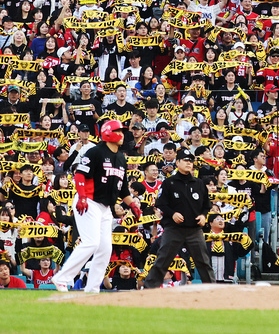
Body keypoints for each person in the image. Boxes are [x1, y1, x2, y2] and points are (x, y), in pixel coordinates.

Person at [52, 120, 143, 293]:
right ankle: (62, 277)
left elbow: (123, 188)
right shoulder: (95, 152)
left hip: (105, 207)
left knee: (105, 248)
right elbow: (79, 175)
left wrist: (133, 205)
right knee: (92, 242)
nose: (122, 134)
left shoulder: (121, 158)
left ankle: (93, 288)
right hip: (88, 200)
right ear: (108, 132)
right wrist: (82, 197)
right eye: (119, 131)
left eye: (123, 131)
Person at [145, 150, 215, 284]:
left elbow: (207, 205)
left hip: (194, 230)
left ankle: (211, 290)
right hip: (174, 229)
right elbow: (161, 203)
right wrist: (172, 214)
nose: (189, 163)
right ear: (177, 163)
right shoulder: (168, 183)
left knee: (204, 263)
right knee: (162, 261)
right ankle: (149, 289)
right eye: (185, 160)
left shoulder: (199, 183)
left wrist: (203, 216)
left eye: (191, 161)